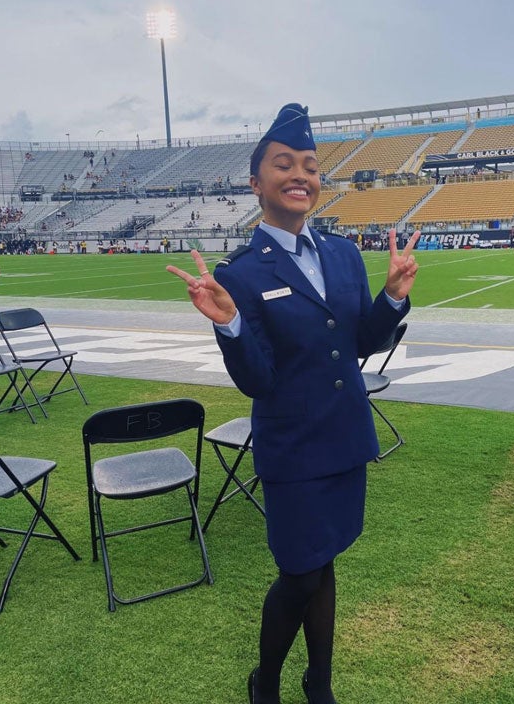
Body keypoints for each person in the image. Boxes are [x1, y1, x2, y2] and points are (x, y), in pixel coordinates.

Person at [167, 104, 419, 704]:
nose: (300, 174)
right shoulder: (242, 274)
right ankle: (267, 682)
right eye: (284, 165)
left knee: (324, 562)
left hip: (345, 440)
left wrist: (389, 299)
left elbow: (360, 345)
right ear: (257, 183)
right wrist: (228, 323)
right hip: (294, 450)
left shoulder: (343, 255)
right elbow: (258, 379)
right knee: (301, 571)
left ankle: (319, 684)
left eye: (309, 165)